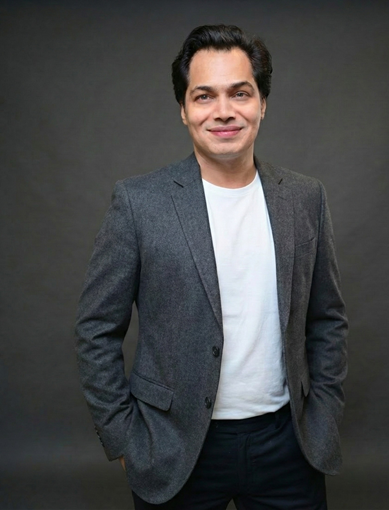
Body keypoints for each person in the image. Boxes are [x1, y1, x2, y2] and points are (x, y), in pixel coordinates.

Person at [76, 24, 348, 510]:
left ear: (262, 103)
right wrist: (123, 438)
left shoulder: (305, 198)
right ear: (184, 110)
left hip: (288, 444)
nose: (223, 111)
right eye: (204, 96)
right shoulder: (139, 203)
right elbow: (96, 328)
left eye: (240, 93)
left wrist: (324, 416)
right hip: (173, 446)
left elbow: (327, 319)